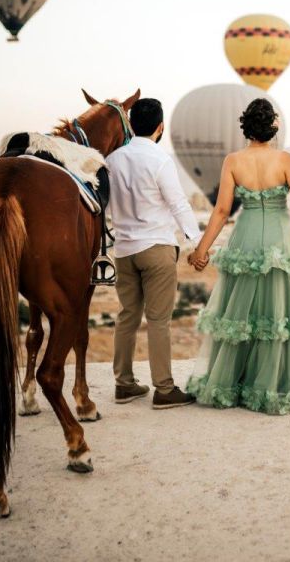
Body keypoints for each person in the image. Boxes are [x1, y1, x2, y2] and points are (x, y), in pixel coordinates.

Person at [185, 98, 290, 414]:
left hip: (245, 235)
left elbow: (222, 211)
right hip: (279, 237)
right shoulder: (285, 160)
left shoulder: (232, 161)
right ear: (273, 128)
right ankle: (273, 384)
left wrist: (201, 250)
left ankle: (235, 383)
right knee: (279, 314)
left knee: (242, 315)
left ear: (246, 128)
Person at [106, 98, 203, 409]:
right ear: (161, 127)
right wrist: (197, 243)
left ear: (132, 125)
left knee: (127, 316)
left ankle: (124, 384)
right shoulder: (160, 160)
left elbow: (105, 205)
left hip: (123, 250)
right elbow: (178, 204)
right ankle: (163, 389)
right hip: (156, 248)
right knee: (158, 320)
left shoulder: (113, 160)